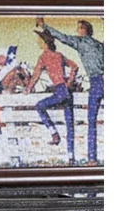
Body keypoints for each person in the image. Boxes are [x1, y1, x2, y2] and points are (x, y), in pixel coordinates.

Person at [37, 17, 104, 166]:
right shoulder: (99, 45)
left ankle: (92, 159)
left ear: (84, 30)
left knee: (91, 121)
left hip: (96, 82)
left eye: (78, 28)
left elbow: (61, 37)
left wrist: (44, 25)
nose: (76, 30)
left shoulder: (80, 42)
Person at [25, 30, 79, 164]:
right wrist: (69, 82)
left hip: (60, 91)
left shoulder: (43, 57)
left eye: (39, 40)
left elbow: (36, 75)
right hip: (66, 91)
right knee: (69, 126)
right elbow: (75, 66)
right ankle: (71, 158)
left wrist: (28, 88)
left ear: (45, 42)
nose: (37, 42)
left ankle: (54, 133)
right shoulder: (59, 55)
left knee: (39, 106)